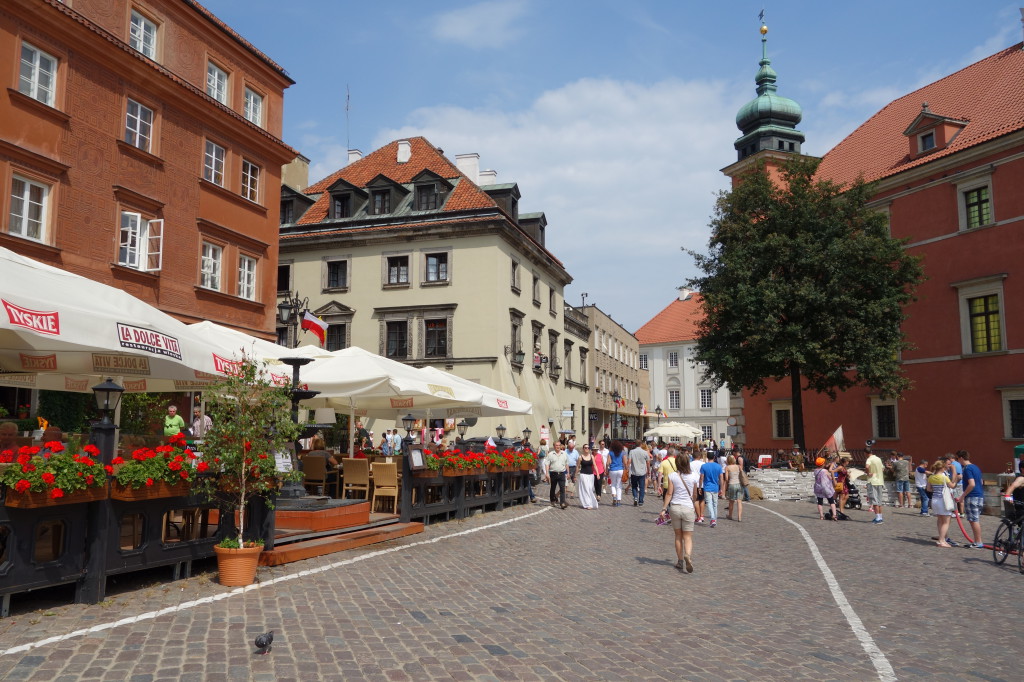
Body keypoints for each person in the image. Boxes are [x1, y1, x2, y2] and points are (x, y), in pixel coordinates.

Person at [660, 452, 700, 573]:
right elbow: (694, 494)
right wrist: (693, 505)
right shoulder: (694, 476)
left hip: (675, 508)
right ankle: (688, 555)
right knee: (687, 537)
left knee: (678, 536)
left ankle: (680, 561)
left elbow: (669, 493)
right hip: (688, 508)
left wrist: (663, 509)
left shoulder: (672, 476)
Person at [957, 450, 985, 549]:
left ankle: (978, 542)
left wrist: (962, 496)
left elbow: (972, 484)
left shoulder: (967, 468)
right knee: (975, 519)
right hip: (979, 495)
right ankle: (977, 541)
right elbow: (980, 482)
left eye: (958, 459)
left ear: (961, 458)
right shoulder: (975, 467)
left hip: (972, 496)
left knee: (973, 520)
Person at [926, 460, 957, 547]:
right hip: (943, 501)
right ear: (942, 468)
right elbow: (952, 486)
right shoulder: (944, 477)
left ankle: (941, 538)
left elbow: (928, 489)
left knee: (940, 520)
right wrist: (956, 480)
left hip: (934, 500)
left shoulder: (931, 477)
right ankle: (941, 541)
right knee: (946, 522)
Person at [699, 450, 724, 528]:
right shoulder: (718, 466)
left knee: (709, 503)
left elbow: (701, 478)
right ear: (714, 457)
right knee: (715, 503)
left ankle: (713, 519)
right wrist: (722, 488)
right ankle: (714, 519)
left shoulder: (704, 466)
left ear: (707, 457)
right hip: (715, 487)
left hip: (707, 487)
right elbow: (721, 478)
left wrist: (700, 487)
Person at [543, 440, 569, 509]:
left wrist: (568, 472)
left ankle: (562, 503)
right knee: (553, 488)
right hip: (553, 473)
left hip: (562, 473)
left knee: (562, 488)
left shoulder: (564, 454)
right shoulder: (551, 454)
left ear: (560, 446)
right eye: (556, 445)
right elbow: (547, 464)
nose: (558, 447)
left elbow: (566, 464)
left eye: (559, 445)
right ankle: (553, 500)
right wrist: (547, 473)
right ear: (554, 446)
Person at [864, 448, 885, 524]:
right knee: (879, 501)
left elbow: (867, 466)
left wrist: (868, 472)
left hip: (872, 481)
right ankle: (880, 517)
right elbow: (883, 468)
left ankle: (877, 518)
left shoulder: (869, 459)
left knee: (874, 500)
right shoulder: (878, 459)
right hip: (880, 481)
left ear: (865, 453)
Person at [813, 457, 838, 522]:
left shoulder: (815, 470)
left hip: (818, 488)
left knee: (820, 502)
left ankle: (821, 516)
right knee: (831, 501)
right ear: (823, 464)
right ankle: (834, 515)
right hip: (826, 488)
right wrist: (833, 476)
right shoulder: (825, 471)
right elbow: (830, 478)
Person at [627, 442, 651, 506]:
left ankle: (635, 497)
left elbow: (629, 461)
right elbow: (648, 462)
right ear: (641, 445)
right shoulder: (645, 452)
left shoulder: (632, 451)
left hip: (634, 472)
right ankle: (640, 501)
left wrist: (626, 468)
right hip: (642, 472)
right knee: (642, 487)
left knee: (634, 486)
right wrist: (648, 470)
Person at [605, 440, 627, 507]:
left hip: (612, 470)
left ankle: (614, 496)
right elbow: (625, 463)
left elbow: (607, 463)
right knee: (619, 485)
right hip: (620, 470)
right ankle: (618, 500)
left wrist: (606, 470)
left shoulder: (610, 453)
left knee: (613, 484)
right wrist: (626, 469)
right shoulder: (623, 452)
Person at [576, 444, 598, 509]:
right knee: (586, 489)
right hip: (583, 475)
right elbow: (578, 466)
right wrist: (575, 475)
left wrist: (598, 473)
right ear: (583, 449)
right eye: (585, 448)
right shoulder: (580, 457)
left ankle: (591, 502)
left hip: (591, 475)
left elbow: (594, 465)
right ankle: (588, 504)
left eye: (588, 448)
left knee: (590, 489)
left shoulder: (592, 456)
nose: (587, 449)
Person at [724, 454, 743, 521]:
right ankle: (739, 517)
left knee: (731, 501)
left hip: (732, 484)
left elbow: (726, 478)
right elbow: (741, 474)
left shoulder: (727, 467)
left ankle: (730, 515)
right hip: (739, 484)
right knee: (739, 501)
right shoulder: (738, 466)